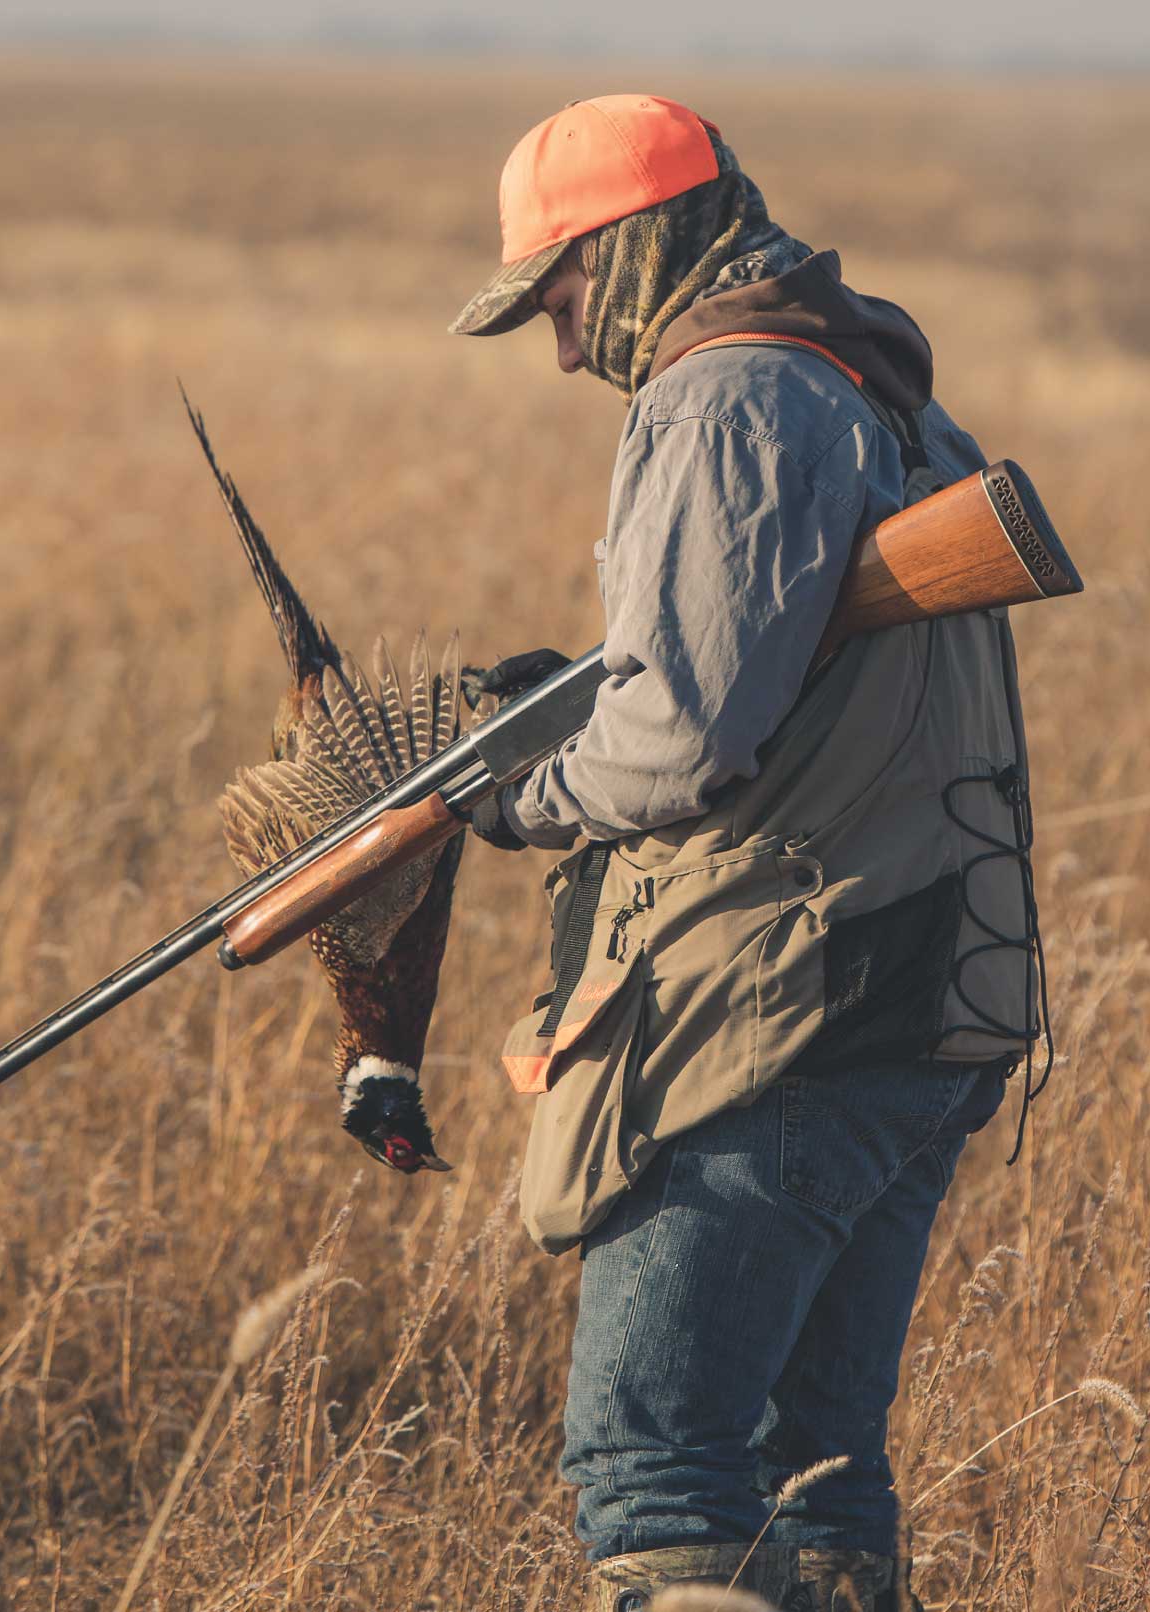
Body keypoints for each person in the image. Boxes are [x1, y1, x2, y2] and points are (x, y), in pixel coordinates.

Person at [450, 95, 1048, 1612]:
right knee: (817, 1480)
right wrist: (581, 690)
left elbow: (684, 739)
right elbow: (757, 681)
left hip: (786, 1015)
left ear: (630, 244)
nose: (568, 348)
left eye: (563, 298)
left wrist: (506, 799)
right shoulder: (875, 383)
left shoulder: (727, 398)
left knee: (656, 1477)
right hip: (922, 994)